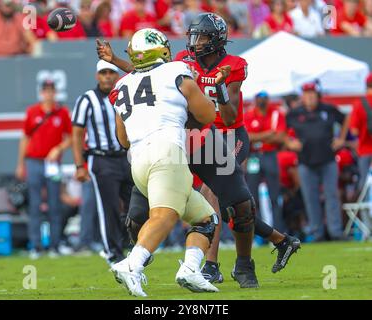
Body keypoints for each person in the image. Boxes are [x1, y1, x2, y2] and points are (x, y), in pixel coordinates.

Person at [98, 13, 300, 284]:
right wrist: (116, 62)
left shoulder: (233, 66)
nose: (195, 42)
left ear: (216, 39)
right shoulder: (181, 61)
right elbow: (148, 73)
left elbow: (228, 117)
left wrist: (220, 89)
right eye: (194, 36)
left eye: (202, 36)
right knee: (138, 215)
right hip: (184, 137)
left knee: (231, 201)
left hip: (224, 135)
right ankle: (280, 240)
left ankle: (234, 265)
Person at [111, 28, 219, 297]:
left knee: (206, 219)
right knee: (164, 215)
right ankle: (132, 265)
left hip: (138, 161)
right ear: (160, 50)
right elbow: (207, 115)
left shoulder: (122, 85)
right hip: (167, 153)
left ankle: (191, 270)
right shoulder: (175, 71)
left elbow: (122, 138)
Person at [72, 60, 133, 266]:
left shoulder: (125, 95)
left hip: (126, 156)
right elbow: (77, 133)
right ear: (97, 75)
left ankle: (133, 246)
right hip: (101, 159)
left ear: (117, 75)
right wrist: (79, 165)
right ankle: (113, 252)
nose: (107, 76)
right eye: (103, 72)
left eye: (111, 72)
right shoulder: (87, 100)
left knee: (135, 205)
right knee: (109, 208)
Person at [286, 82, 349, 241]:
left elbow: (347, 119)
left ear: (317, 95)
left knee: (332, 195)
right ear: (303, 97)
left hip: (328, 159)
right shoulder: (294, 113)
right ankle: (317, 232)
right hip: (305, 161)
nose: (310, 97)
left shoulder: (328, 109)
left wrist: (341, 138)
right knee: (310, 197)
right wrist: (289, 142)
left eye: (312, 94)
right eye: (307, 94)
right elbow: (281, 130)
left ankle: (335, 232)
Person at [15, 80, 72, 259]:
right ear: (41, 93)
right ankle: (36, 246)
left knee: (55, 205)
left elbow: (71, 137)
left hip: (53, 164)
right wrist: (21, 163)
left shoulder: (62, 112)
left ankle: (54, 245)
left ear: (55, 93)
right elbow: (25, 138)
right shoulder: (32, 112)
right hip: (34, 162)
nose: (48, 94)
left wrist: (59, 148)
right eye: (45, 91)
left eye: (51, 91)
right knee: (35, 205)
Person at [244, 91, 287, 232]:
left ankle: (278, 229)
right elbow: (246, 137)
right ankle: (258, 231)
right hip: (254, 156)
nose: (261, 101)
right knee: (252, 196)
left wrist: (258, 137)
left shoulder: (276, 113)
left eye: (264, 98)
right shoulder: (249, 114)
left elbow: (280, 137)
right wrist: (267, 135)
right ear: (255, 99)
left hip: (270, 154)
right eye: (259, 98)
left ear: (268, 99)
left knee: (275, 194)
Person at [349, 73, 372, 191]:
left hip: (365, 151)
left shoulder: (359, 104)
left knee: (364, 184)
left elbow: (354, 131)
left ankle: (363, 209)